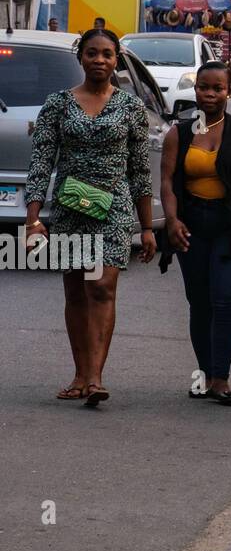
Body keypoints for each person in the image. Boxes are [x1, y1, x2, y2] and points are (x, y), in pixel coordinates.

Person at [25, 28, 157, 406]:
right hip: (70, 207)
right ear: (80, 57)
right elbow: (40, 164)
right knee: (76, 291)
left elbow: (140, 171)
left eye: (107, 54)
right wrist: (34, 220)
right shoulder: (57, 105)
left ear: (117, 61)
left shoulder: (131, 108)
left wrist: (147, 228)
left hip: (113, 208)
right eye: (92, 53)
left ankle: (96, 377)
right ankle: (80, 374)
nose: (99, 60)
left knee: (101, 286)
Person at [160, 61, 231, 405]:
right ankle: (205, 373)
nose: (209, 95)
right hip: (192, 226)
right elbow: (167, 181)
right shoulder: (179, 134)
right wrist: (172, 220)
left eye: (217, 89)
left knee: (225, 299)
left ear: (230, 91)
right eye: (203, 88)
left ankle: (221, 378)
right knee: (199, 303)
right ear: (195, 90)